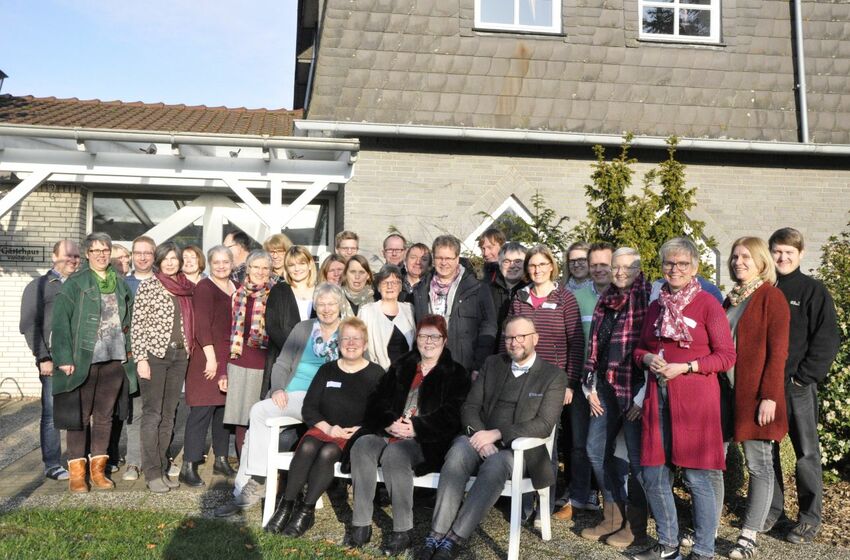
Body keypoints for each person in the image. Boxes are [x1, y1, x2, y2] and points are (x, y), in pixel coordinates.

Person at [417, 316, 567, 560]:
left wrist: (497, 434)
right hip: (480, 439)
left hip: (523, 452)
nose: (514, 342)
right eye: (509, 337)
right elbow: (470, 407)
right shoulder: (493, 364)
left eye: (521, 336)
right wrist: (478, 435)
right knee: (457, 452)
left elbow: (544, 424)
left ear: (535, 339)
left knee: (497, 463)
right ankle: (436, 534)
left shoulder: (553, 376)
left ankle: (453, 540)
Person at [632, 237, 736, 560]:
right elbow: (640, 349)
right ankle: (667, 546)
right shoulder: (655, 306)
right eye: (668, 263)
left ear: (695, 268)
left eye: (682, 264)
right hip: (657, 398)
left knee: (697, 477)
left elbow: (726, 357)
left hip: (695, 402)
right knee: (653, 474)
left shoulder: (707, 305)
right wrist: (647, 360)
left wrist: (687, 366)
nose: (674, 269)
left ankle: (704, 551)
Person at [215, 283, 350, 517]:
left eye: (331, 304)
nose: (326, 309)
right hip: (293, 395)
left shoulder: (349, 331)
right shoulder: (303, 328)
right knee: (258, 414)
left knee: (253, 433)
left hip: (326, 401)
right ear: (315, 306)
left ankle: (248, 488)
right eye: (321, 304)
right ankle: (256, 480)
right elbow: (283, 363)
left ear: (340, 305)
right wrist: (277, 389)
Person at [346, 314, 470, 555]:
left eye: (435, 337)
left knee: (395, 453)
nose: (428, 342)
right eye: (423, 336)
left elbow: (454, 415)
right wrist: (388, 422)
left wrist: (417, 427)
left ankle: (402, 531)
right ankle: (360, 524)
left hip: (425, 441)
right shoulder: (402, 366)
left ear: (444, 340)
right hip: (390, 431)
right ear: (417, 339)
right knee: (362, 445)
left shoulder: (456, 373)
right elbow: (377, 400)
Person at [265, 317, 384, 537]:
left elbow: (381, 413)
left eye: (356, 339)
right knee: (309, 446)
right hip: (323, 428)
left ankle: (306, 511)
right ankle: (286, 505)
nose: (350, 343)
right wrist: (327, 428)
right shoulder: (327, 370)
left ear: (365, 344)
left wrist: (358, 430)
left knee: (328, 452)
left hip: (353, 435)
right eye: (346, 338)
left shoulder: (376, 374)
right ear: (339, 343)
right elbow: (309, 407)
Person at [765, 227, 839, 544]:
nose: (782, 257)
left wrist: (802, 376)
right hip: (765, 387)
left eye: (789, 253)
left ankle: (809, 518)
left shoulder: (812, 290)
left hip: (797, 386)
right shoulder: (763, 288)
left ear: (800, 254)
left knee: (806, 453)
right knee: (766, 452)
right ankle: (772, 512)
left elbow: (827, 339)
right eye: (777, 251)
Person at [717, 237, 790, 558]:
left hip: (755, 396)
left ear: (762, 261)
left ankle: (749, 536)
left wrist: (770, 397)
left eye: (746, 256)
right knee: (711, 463)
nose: (738, 262)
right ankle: (709, 527)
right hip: (724, 395)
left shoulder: (770, 298)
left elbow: (779, 353)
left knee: (759, 466)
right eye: (734, 256)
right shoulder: (730, 299)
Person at [51, 232, 136, 493]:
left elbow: (129, 321)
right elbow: (60, 322)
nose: (101, 254)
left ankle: (98, 471)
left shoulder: (120, 283)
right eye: (96, 250)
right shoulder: (75, 283)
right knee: (79, 417)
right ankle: (77, 474)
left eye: (105, 250)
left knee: (104, 417)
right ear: (87, 254)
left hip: (114, 360)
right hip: (83, 359)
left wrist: (131, 352)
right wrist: (64, 357)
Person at [505, 244, 584, 523]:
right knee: (520, 439)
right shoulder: (520, 297)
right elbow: (511, 337)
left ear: (552, 266)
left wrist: (570, 383)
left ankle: (544, 507)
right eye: (532, 266)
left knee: (546, 444)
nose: (537, 270)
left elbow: (576, 343)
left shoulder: (565, 298)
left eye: (542, 264)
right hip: (521, 379)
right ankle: (523, 505)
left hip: (553, 382)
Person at [580, 247, 651, 549]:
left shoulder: (649, 297)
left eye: (628, 267)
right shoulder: (606, 298)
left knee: (638, 461)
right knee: (595, 449)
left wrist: (643, 396)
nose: (621, 272)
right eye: (616, 267)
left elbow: (655, 349)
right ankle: (612, 515)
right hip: (606, 387)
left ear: (639, 268)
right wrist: (590, 386)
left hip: (636, 389)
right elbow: (596, 344)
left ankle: (636, 527)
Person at [131, 241, 195, 493]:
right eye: (165, 258)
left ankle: (161, 465)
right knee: (152, 414)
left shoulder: (185, 288)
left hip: (180, 356)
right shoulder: (149, 286)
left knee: (169, 415)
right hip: (154, 356)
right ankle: (152, 472)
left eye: (174, 258)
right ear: (159, 261)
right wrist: (141, 359)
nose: (170, 262)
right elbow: (138, 326)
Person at [558, 241, 613, 519]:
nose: (579, 265)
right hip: (580, 377)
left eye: (584, 260)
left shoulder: (610, 293)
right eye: (574, 260)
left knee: (601, 444)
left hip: (608, 380)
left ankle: (612, 502)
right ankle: (580, 496)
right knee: (579, 442)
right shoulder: (570, 294)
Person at [19, 239, 81, 481]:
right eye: (68, 256)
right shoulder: (39, 286)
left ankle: (78, 458)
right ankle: (52, 463)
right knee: (52, 414)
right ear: (54, 257)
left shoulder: (81, 285)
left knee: (79, 412)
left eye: (76, 256)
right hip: (52, 360)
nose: (73, 260)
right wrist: (42, 357)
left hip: (81, 360)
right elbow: (29, 325)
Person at [180, 245, 238, 487]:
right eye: (217, 262)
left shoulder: (235, 287)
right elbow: (202, 325)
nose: (222, 266)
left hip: (229, 356)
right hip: (208, 355)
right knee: (202, 411)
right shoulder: (205, 287)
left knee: (223, 410)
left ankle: (221, 459)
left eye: (226, 262)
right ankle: (189, 465)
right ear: (210, 264)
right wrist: (211, 358)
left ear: (232, 264)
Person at [411, 235, 497, 374]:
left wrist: (478, 365)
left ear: (457, 259)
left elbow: (489, 327)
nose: (443, 263)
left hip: (463, 367)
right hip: (428, 366)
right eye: (439, 258)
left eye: (448, 258)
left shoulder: (478, 289)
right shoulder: (420, 289)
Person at [221, 250, 275, 458]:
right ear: (248, 269)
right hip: (238, 361)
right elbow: (228, 331)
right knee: (240, 419)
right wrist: (223, 368)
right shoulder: (237, 295)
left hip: (263, 364)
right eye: (256, 267)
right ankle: (243, 466)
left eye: (265, 268)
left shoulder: (277, 294)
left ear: (270, 271)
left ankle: (257, 464)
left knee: (258, 418)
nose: (260, 272)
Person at [117, 234, 156, 481]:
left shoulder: (164, 283)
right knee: (136, 410)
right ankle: (133, 461)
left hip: (159, 357)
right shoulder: (124, 284)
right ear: (133, 256)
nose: (142, 257)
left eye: (147, 253)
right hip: (131, 358)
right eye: (138, 252)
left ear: (154, 256)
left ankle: (159, 458)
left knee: (161, 411)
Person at [264, 245, 318, 398]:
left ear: (309, 265)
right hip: (284, 357)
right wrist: (294, 351)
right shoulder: (279, 290)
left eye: (301, 263)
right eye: (292, 265)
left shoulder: (321, 290)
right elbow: (272, 326)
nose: (297, 268)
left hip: (315, 360)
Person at [357, 265, 415, 370]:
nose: (390, 286)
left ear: (400, 286)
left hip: (406, 374)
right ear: (378, 287)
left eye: (394, 282)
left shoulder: (409, 309)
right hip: (377, 374)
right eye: (385, 283)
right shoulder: (366, 311)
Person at [486, 242, 527, 348]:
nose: (512, 266)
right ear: (499, 265)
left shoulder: (532, 291)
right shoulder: (486, 291)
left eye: (518, 261)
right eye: (506, 261)